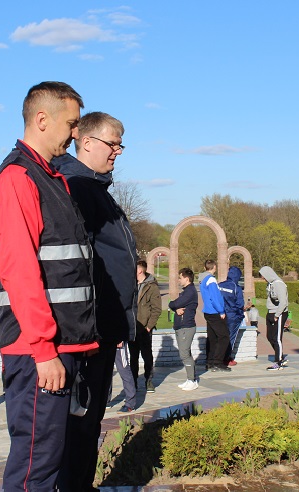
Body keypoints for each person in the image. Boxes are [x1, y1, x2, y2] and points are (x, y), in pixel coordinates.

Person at [0, 81, 100, 492]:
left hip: (59, 346)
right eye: (71, 124)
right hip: (39, 350)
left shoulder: (51, 177)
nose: (75, 134)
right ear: (41, 119)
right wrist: (43, 350)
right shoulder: (19, 177)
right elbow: (18, 270)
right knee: (35, 466)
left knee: (52, 460)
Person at [51, 111, 138, 488]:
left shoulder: (96, 189)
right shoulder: (76, 187)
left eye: (121, 145)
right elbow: (74, 265)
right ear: (86, 142)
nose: (117, 151)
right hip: (88, 332)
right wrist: (91, 326)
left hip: (104, 328)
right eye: (112, 143)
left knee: (89, 424)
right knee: (79, 426)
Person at [130, 259, 161, 392]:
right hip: (133, 328)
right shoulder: (131, 284)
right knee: (133, 357)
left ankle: (148, 380)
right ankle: (133, 382)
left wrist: (149, 326)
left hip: (144, 328)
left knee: (147, 356)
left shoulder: (151, 286)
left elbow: (156, 309)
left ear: (140, 270)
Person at [167, 268, 198, 390]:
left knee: (184, 354)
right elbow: (175, 305)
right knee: (186, 353)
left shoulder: (190, 292)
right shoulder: (186, 292)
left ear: (186, 278)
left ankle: (192, 380)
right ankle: (190, 379)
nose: (179, 280)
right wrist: (176, 308)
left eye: (180, 278)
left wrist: (174, 306)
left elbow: (173, 303)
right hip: (181, 326)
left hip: (186, 326)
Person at [200, 259, 230, 372]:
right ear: (214, 267)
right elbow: (214, 298)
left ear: (205, 267)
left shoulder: (203, 279)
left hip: (208, 312)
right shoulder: (211, 279)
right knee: (224, 337)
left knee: (212, 338)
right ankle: (218, 362)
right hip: (215, 312)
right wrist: (221, 311)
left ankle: (210, 362)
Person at [260, 266, 289, 371]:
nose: (262, 278)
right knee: (270, 337)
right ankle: (280, 356)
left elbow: (283, 302)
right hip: (270, 312)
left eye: (263, 276)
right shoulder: (270, 284)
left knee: (277, 338)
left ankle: (278, 362)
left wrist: (277, 315)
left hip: (279, 314)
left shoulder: (279, 284)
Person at [218, 265, 245, 366]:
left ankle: (217, 358)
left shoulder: (220, 285)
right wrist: (240, 314)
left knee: (220, 337)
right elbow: (240, 304)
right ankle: (226, 359)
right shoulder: (236, 287)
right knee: (230, 338)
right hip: (233, 316)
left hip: (220, 315)